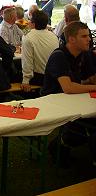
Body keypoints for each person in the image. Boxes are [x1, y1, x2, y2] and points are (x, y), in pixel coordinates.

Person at [41, 22, 96, 166]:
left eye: (88, 36)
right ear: (71, 39)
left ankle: (66, 143)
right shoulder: (59, 56)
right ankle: (61, 144)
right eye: (84, 36)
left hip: (75, 99)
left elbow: (92, 78)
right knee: (87, 124)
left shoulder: (85, 54)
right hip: (54, 102)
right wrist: (92, 87)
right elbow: (68, 87)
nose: (89, 39)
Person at [21, 10, 59, 92]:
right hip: (55, 76)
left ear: (33, 23)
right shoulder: (54, 36)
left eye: (30, 21)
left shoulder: (28, 37)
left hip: (40, 77)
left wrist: (26, 81)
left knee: (12, 74)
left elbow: (27, 61)